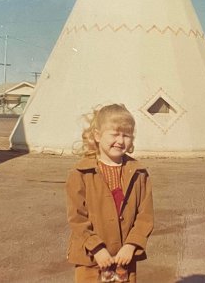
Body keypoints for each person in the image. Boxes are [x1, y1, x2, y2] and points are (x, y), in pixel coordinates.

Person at [66, 104, 154, 283]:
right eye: (114, 134)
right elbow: (77, 219)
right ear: (97, 136)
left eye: (126, 135)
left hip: (124, 260)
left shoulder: (139, 173)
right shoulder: (80, 173)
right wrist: (96, 248)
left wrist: (131, 246)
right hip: (91, 259)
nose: (120, 141)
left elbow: (145, 216)